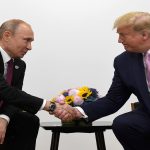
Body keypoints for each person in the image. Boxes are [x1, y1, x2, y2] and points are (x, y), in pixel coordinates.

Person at [55, 11, 150, 150]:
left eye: (123, 35)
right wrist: (77, 111)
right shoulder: (122, 61)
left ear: (144, 35)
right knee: (124, 123)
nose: (119, 40)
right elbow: (113, 99)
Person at [0, 19, 75, 150]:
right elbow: (4, 90)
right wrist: (50, 106)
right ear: (7, 35)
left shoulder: (19, 64)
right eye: (26, 40)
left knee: (28, 120)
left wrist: (4, 118)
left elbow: (14, 99)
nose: (30, 47)